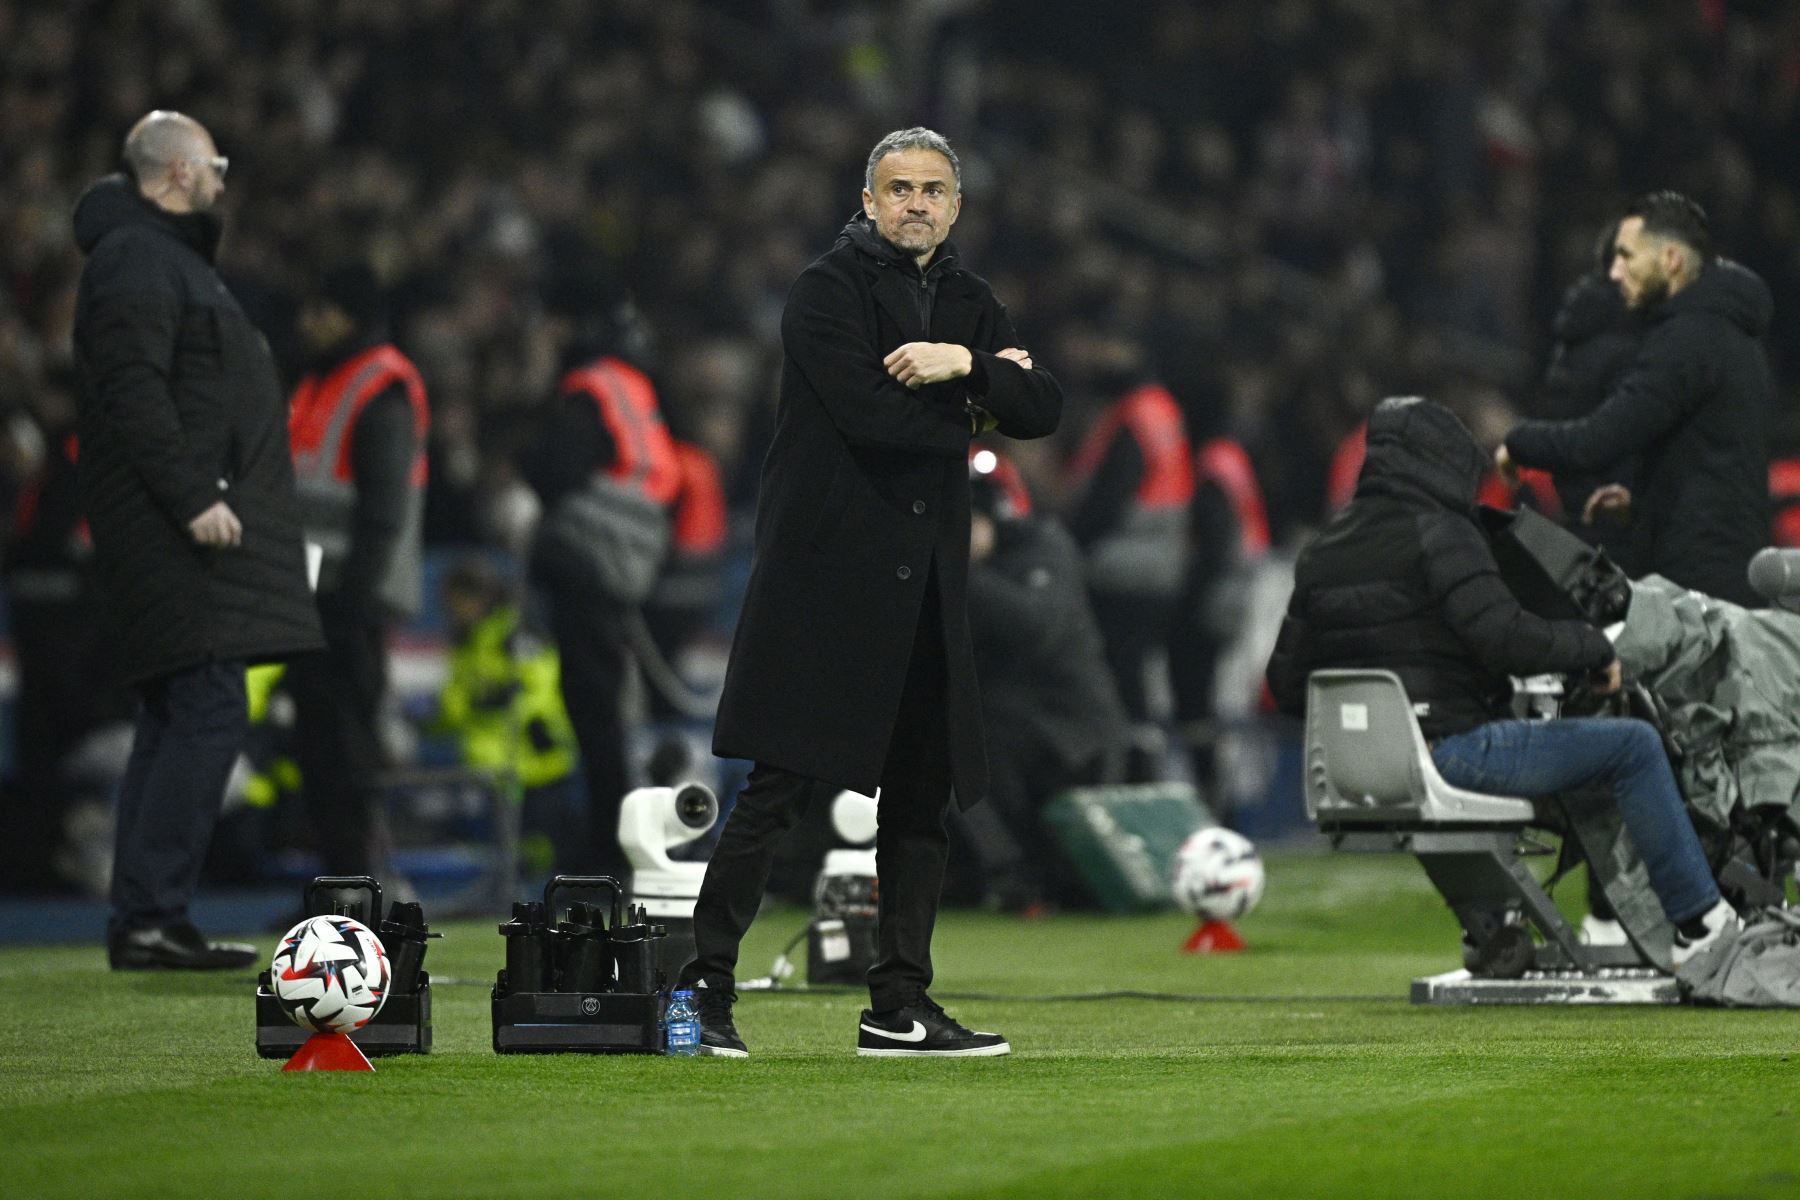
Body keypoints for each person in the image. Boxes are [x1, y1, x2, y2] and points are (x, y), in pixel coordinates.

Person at [681, 127, 1062, 1057]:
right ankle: (700, 991)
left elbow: (1043, 408)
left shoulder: (972, 304)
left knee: (919, 802)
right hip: (824, 580)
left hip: (926, 588)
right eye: (899, 189)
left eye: (934, 189)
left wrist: (962, 365)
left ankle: (898, 1005)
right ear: (867, 200)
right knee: (777, 792)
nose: (917, 204)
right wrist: (978, 402)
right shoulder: (824, 291)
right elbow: (871, 417)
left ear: (957, 206)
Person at [1266, 396, 1736, 967]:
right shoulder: (1442, 534)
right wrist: (1595, 648)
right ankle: (1702, 924)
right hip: (1451, 755)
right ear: (1443, 462)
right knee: (1632, 747)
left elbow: (1286, 685)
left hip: (1348, 776)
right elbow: (1506, 640)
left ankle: (1492, 927)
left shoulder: (1323, 549)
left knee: (1568, 758)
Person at [72, 111, 323, 969]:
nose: (223, 177)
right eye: (213, 162)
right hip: (178, 533)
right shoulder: (142, 260)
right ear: (178, 174)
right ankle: (150, 913)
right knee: (207, 708)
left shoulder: (158, 261)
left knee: (176, 710)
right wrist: (191, 498)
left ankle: (146, 916)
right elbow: (135, 391)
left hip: (176, 530)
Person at [1498, 192, 1773, 607]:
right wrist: (1645, 498)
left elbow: (1597, 440)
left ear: (1672, 260)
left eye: (1626, 256)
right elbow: (1712, 458)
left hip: (1699, 584)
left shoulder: (1686, 340)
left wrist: (1518, 442)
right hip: (1731, 564)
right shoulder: (1733, 334)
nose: (1614, 272)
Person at [522, 294, 679, 881]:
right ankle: (617, 840)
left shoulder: (587, 386)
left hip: (590, 556)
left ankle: (608, 850)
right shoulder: (632, 385)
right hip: (636, 555)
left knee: (597, 714)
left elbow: (552, 468)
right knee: (615, 708)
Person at [285, 261, 430, 876]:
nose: (307, 322)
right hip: (315, 593)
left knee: (345, 751)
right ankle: (337, 883)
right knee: (320, 751)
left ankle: (355, 886)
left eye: (319, 309)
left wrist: (353, 599)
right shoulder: (324, 380)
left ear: (347, 315)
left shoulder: (377, 387)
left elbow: (381, 511)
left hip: (348, 601)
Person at [953, 449, 1129, 911]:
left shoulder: (1045, 548)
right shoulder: (960, 577)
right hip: (1010, 734)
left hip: (1072, 735)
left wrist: (958, 576)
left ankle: (1013, 876)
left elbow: (1036, 627)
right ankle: (997, 877)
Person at [435, 557, 581, 877]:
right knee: (511, 851)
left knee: (546, 847)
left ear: (478, 596)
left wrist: (493, 700)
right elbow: (453, 703)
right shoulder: (468, 641)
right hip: (494, 771)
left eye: (457, 600)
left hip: (537, 763)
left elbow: (539, 685)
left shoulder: (514, 631)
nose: (452, 609)